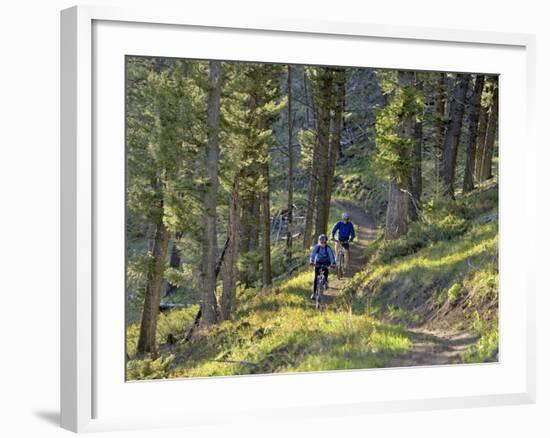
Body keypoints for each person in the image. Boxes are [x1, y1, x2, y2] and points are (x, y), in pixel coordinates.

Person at [309, 234, 336, 300]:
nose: (323, 244)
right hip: (318, 262)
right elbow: (312, 255)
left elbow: (331, 256)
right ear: (319, 242)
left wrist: (333, 263)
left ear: (326, 242)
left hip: (326, 262)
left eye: (325, 242)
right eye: (322, 242)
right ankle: (314, 293)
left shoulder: (328, 248)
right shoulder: (317, 247)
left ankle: (326, 281)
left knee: (326, 271)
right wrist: (311, 261)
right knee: (316, 278)